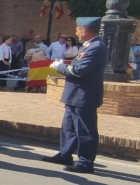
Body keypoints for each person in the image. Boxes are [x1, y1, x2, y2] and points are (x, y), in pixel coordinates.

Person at [42, 17, 109, 174]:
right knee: (69, 128)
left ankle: (85, 162)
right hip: (75, 95)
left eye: (78, 30)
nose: (76, 32)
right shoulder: (89, 46)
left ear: (84, 31)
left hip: (84, 96)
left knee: (85, 130)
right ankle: (65, 154)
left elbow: (78, 70)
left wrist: (59, 67)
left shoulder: (96, 47)